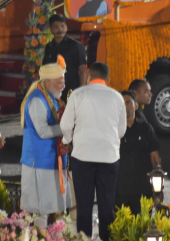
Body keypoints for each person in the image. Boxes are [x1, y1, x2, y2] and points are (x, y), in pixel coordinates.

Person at [61, 62, 126, 241]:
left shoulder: (78, 94)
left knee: (84, 205)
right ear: (108, 79)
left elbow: (65, 125)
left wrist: (67, 141)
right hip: (109, 158)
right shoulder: (117, 97)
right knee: (107, 205)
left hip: (83, 157)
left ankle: (84, 238)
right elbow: (121, 131)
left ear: (89, 76)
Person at [20, 57, 72, 226]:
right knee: (40, 211)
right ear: (47, 82)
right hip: (39, 163)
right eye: (60, 83)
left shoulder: (52, 99)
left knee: (51, 208)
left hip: (51, 162)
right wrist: (68, 127)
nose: (63, 86)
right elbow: (42, 131)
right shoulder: (37, 100)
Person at [115, 91, 160, 215]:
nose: (124, 106)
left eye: (128, 102)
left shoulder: (146, 129)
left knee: (143, 229)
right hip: (119, 192)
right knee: (121, 231)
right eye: (121, 103)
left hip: (143, 191)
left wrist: (158, 187)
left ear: (136, 105)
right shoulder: (112, 130)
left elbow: (155, 159)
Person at [42, 14, 87, 101]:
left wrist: (81, 92)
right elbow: (45, 69)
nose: (60, 30)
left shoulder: (75, 46)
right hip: (53, 92)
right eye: (56, 27)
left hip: (70, 91)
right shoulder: (49, 47)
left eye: (62, 26)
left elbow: (83, 70)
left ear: (66, 27)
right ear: (50, 29)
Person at [127, 79, 162, 168]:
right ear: (134, 93)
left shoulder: (139, 114)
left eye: (150, 91)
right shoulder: (136, 117)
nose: (150, 95)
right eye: (146, 92)